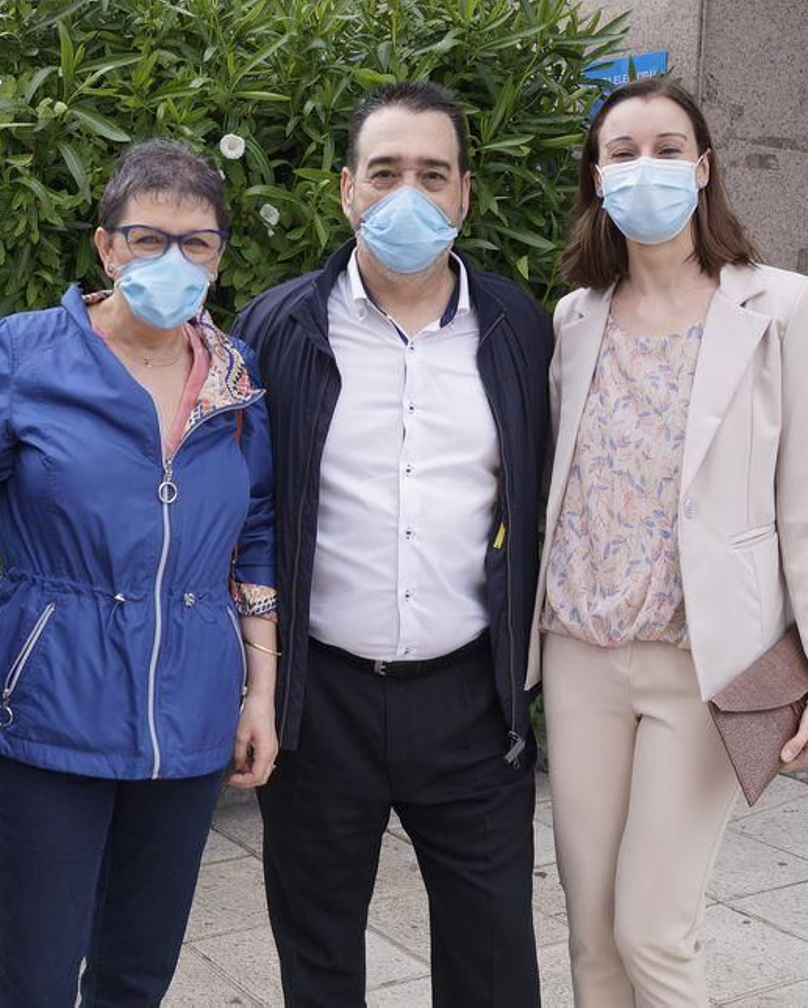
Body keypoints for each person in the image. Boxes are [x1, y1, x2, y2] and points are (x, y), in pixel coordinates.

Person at [531, 76, 808, 1006]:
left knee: (654, 931)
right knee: (591, 934)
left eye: (668, 149)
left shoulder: (779, 307)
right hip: (580, 655)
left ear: (703, 168)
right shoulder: (575, 318)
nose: (647, 168)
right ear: (597, 177)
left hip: (704, 661)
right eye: (622, 151)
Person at [0, 138, 279, 1007]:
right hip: (53, 707)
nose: (171, 259)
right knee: (33, 983)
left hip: (191, 719)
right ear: (106, 247)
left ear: (219, 255)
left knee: (137, 974)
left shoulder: (236, 380)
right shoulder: (27, 355)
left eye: (195, 241)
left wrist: (259, 693)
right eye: (147, 238)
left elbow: (257, 532)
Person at [234, 81, 552, 1006]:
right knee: (319, 958)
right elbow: (245, 514)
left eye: (432, 173)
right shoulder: (278, 327)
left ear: (464, 194)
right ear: (346, 190)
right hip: (319, 698)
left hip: (470, 701)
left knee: (494, 964)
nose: (407, 195)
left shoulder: (517, 329)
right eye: (385, 173)